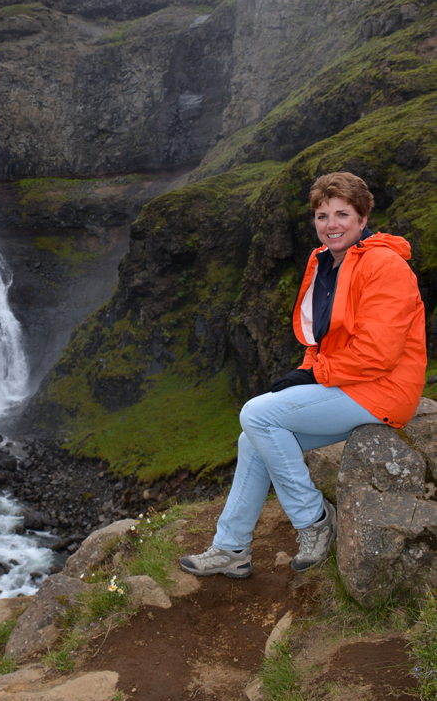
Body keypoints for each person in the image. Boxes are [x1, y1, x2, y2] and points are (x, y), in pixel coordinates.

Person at [181, 172, 427, 578]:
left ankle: (314, 521)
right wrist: (306, 371)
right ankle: (231, 548)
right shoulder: (324, 262)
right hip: (349, 382)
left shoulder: (385, 266)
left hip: (382, 389)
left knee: (257, 415)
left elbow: (379, 353)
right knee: (253, 438)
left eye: (342, 214)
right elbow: (323, 337)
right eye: (322, 215)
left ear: (363, 219)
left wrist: (316, 375)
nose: (331, 224)